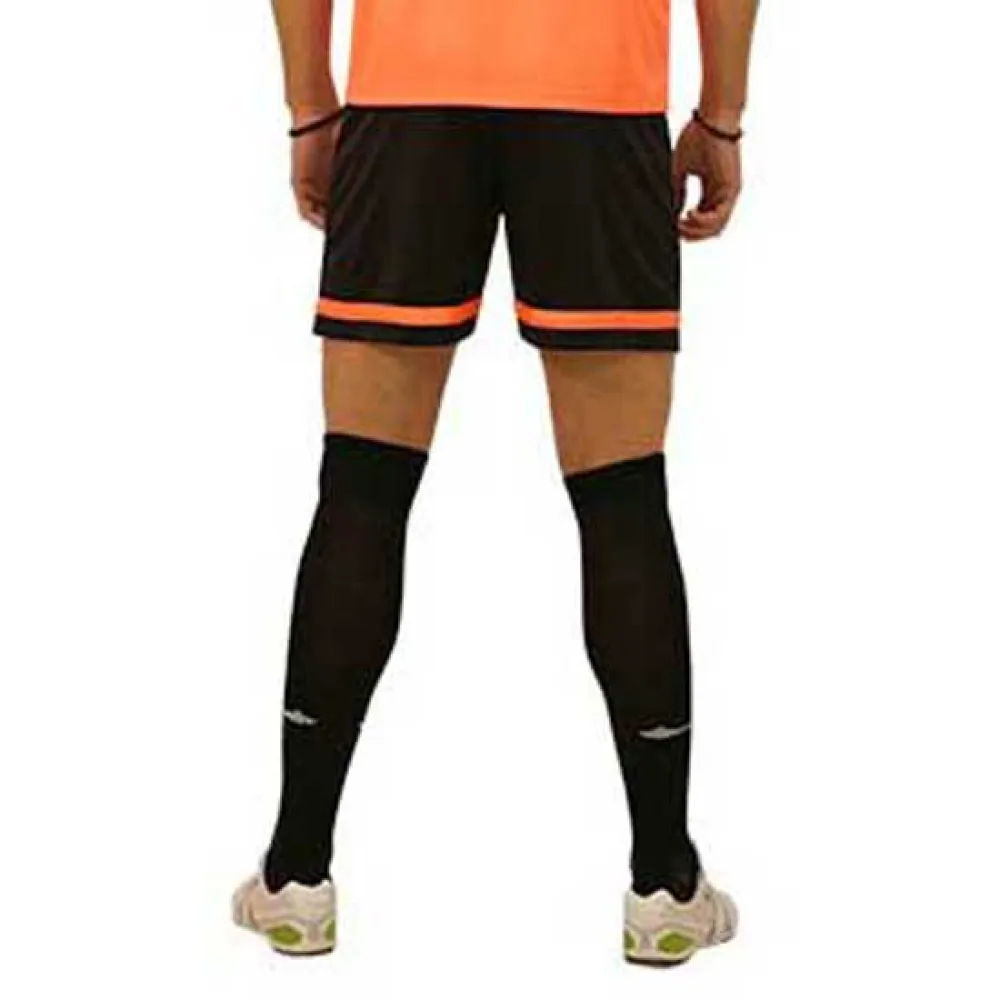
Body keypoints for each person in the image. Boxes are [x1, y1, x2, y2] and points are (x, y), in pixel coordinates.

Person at [232, 0, 759, 965]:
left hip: (410, 97)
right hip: (600, 99)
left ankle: (296, 873)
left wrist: (311, 107)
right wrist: (720, 115)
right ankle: (664, 884)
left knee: (362, 488)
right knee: (624, 500)